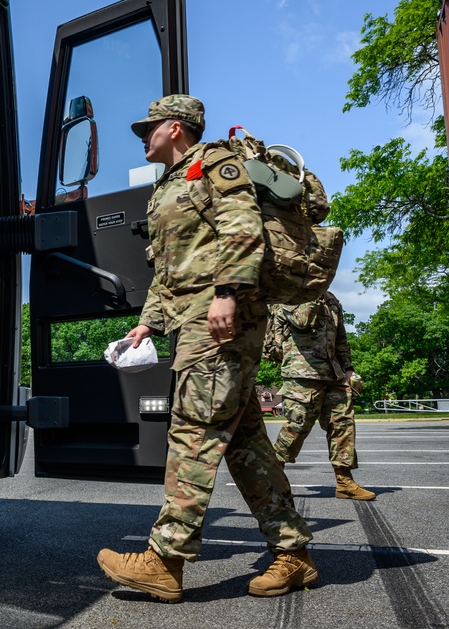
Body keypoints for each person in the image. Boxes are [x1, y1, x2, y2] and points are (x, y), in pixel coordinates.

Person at [96, 95, 317, 603]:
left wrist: (226, 293)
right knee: (244, 446)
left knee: (193, 431)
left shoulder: (214, 163)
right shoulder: (170, 184)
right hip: (194, 318)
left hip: (221, 321)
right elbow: (170, 268)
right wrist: (147, 325)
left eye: (147, 128)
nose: (142, 136)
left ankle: (164, 560)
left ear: (176, 128)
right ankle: (294, 554)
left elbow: (244, 230)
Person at [265, 292, 376, 501]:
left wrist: (349, 369)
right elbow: (302, 320)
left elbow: (341, 339)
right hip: (302, 372)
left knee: (342, 423)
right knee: (298, 425)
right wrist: (314, 295)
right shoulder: (292, 295)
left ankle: (344, 481)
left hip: (334, 373)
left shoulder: (332, 300)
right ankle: (272, 480)